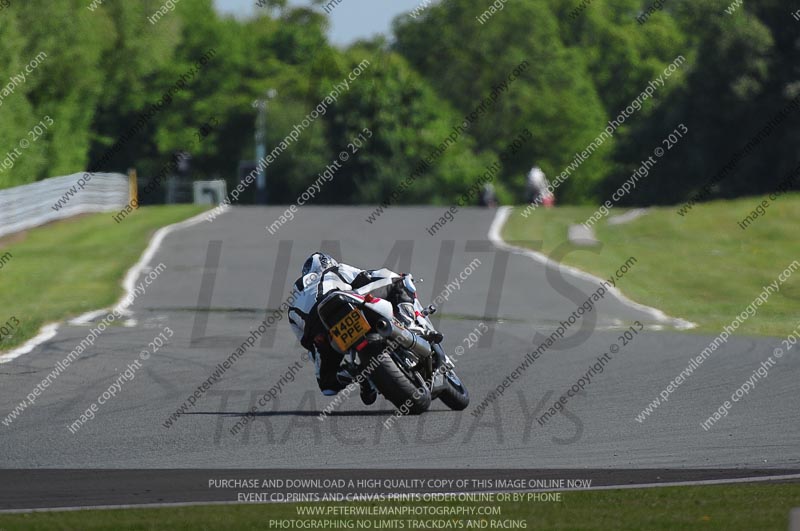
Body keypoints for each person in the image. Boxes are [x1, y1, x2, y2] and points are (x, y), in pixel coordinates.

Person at [287, 252, 418, 404]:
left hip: (319, 327)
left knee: (327, 385)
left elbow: (308, 344)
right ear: (327, 263)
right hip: (342, 301)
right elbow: (370, 276)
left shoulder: (293, 302)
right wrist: (398, 277)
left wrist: (320, 342)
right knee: (398, 282)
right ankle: (407, 323)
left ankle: (354, 372)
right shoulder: (335, 269)